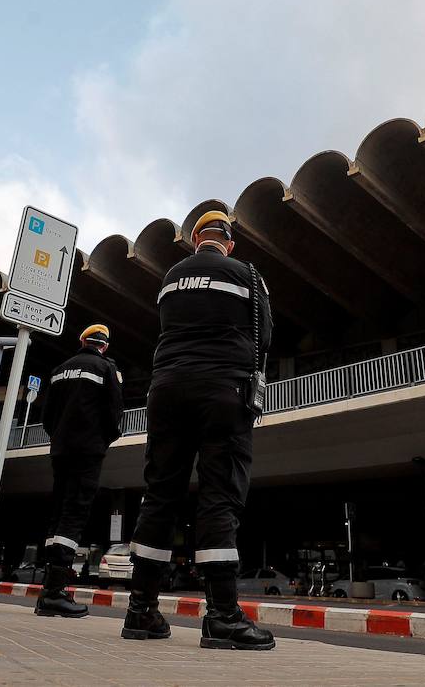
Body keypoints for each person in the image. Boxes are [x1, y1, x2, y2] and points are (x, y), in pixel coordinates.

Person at [122, 210, 274, 650]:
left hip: (166, 389)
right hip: (222, 390)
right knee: (219, 495)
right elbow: (264, 336)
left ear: (194, 241)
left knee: (160, 495)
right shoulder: (247, 273)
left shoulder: (171, 277)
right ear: (228, 243)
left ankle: (141, 611)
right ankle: (223, 616)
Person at [35, 324, 124, 618]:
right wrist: (103, 439)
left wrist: (60, 436)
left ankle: (48, 590)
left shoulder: (60, 369)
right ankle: (54, 593)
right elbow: (114, 413)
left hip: (60, 450)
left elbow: (46, 415)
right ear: (105, 346)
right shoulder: (105, 369)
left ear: (82, 340)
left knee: (58, 512)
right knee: (75, 513)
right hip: (88, 450)